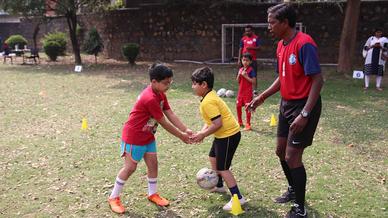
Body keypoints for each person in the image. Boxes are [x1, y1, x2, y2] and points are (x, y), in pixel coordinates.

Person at [249, 3, 324, 218]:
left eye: (272, 22)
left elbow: (318, 81)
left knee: (293, 157)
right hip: (286, 105)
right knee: (281, 151)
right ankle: (293, 189)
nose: (269, 27)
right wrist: (261, 97)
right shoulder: (281, 44)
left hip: (304, 107)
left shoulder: (304, 44)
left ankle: (301, 209)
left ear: (285, 22)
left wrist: (305, 114)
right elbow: (282, 77)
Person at [108, 63, 192, 214]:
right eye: (166, 83)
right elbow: (163, 122)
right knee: (130, 168)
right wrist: (181, 136)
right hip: (134, 137)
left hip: (148, 135)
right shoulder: (149, 98)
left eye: (170, 82)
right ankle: (113, 197)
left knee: (153, 164)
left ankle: (152, 193)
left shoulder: (160, 94)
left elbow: (169, 113)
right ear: (154, 82)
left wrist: (185, 129)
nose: (168, 86)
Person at [190, 67, 246, 211]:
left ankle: (238, 198)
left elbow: (217, 123)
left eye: (195, 83)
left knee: (223, 168)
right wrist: (201, 132)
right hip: (223, 135)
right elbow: (210, 121)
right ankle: (219, 185)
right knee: (212, 157)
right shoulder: (208, 97)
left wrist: (203, 135)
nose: (192, 86)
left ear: (204, 85)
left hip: (228, 135)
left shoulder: (208, 101)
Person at [236, 52, 257, 131]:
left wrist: (246, 76)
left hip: (247, 93)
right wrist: (239, 75)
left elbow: (254, 82)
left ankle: (248, 124)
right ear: (241, 60)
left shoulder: (251, 70)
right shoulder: (241, 69)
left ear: (250, 62)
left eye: (247, 60)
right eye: (243, 60)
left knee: (247, 108)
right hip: (240, 92)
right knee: (238, 107)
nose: (245, 62)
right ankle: (240, 122)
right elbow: (238, 81)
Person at [238, 25, 260, 91]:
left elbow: (259, 48)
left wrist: (251, 48)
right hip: (244, 60)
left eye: (249, 31)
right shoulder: (243, 39)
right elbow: (240, 49)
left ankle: (255, 90)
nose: (247, 32)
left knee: (254, 75)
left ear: (252, 31)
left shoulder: (256, 38)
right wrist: (239, 59)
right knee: (242, 74)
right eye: (246, 31)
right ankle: (242, 89)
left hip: (253, 60)